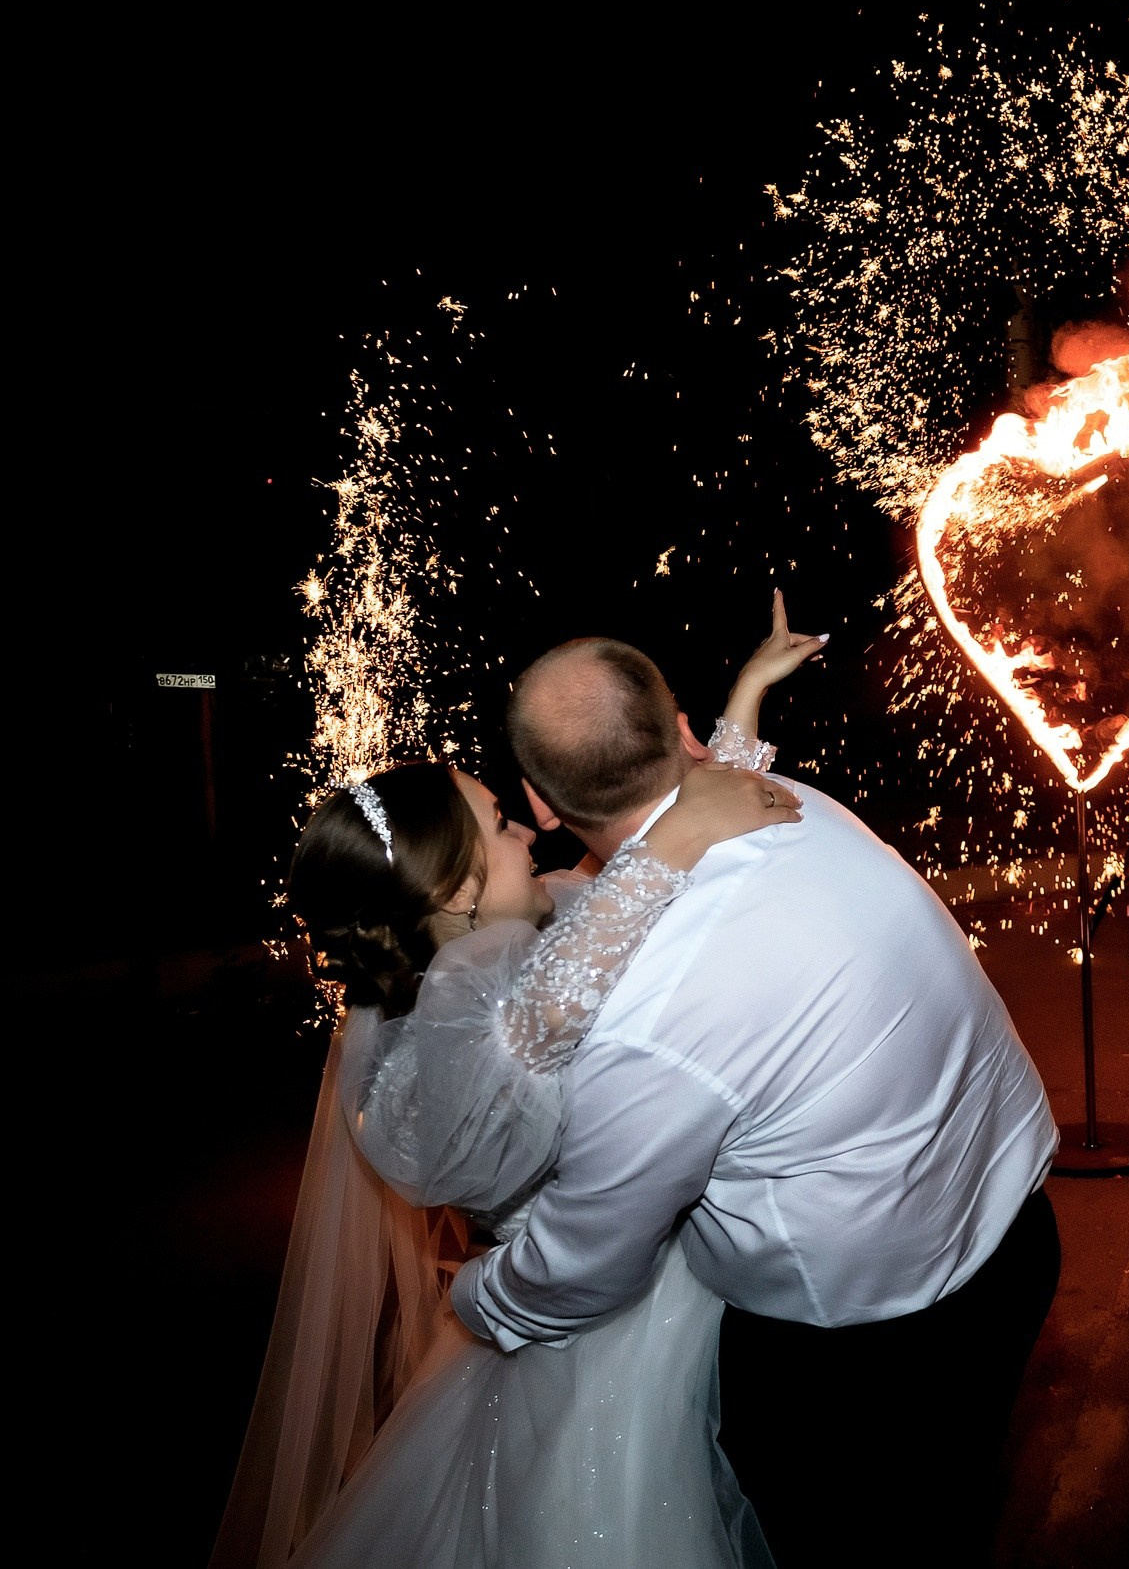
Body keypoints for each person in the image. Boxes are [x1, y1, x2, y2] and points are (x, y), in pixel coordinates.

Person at [213, 597, 822, 1568]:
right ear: (454, 891)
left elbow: (660, 856)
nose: (523, 836)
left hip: (582, 1300)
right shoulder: (485, 1004)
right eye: (497, 823)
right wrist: (684, 819)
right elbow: (633, 899)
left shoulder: (480, 973)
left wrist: (742, 705)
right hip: (613, 1324)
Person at [455, 610, 1061, 1565]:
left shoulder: (646, 1015)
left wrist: (480, 1299)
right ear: (681, 730)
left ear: (536, 804)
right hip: (1016, 1231)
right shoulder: (788, 799)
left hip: (870, 1354)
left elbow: (587, 1263)